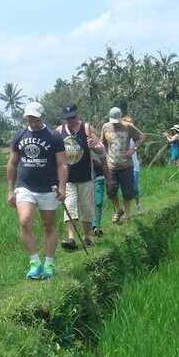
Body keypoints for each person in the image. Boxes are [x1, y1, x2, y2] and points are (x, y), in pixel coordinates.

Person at [6, 101, 68, 279]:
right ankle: (35, 262)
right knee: (25, 221)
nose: (33, 122)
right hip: (25, 186)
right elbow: (12, 163)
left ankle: (49, 264)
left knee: (48, 225)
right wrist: (10, 189)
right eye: (30, 119)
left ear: (43, 117)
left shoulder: (54, 136)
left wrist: (62, 187)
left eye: (36, 119)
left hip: (49, 188)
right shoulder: (19, 135)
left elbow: (62, 164)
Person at [56, 103, 105, 251]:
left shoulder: (87, 128)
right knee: (70, 206)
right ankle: (71, 237)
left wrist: (94, 146)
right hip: (68, 178)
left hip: (86, 176)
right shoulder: (59, 131)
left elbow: (101, 149)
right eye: (67, 119)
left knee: (86, 207)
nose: (70, 121)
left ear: (77, 115)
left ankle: (85, 236)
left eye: (72, 118)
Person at [100, 107, 145, 224]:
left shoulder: (128, 126)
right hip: (111, 166)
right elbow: (103, 144)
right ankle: (118, 210)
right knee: (111, 190)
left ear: (120, 118)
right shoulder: (105, 127)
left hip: (126, 165)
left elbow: (141, 137)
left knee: (127, 191)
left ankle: (128, 214)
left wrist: (133, 149)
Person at [121, 114, 143, 216]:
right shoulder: (120, 136)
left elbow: (142, 137)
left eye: (131, 122)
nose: (131, 124)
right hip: (123, 166)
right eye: (128, 122)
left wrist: (134, 149)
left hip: (134, 165)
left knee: (134, 188)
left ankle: (138, 205)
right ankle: (126, 212)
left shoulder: (134, 136)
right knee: (125, 189)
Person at [91, 152, 110, 236]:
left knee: (98, 202)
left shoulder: (98, 146)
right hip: (84, 179)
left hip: (98, 177)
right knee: (88, 203)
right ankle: (90, 226)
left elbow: (105, 163)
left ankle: (96, 226)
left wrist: (108, 180)